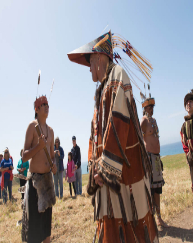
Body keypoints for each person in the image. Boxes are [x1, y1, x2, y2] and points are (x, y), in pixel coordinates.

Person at [67, 30, 158, 242]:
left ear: (99, 58)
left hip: (124, 178)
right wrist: (95, 167)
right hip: (109, 179)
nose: (89, 68)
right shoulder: (103, 88)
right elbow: (96, 137)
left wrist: (105, 170)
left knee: (130, 229)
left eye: (89, 62)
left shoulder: (117, 76)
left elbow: (118, 123)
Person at [21, 95, 57, 243]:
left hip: (47, 183)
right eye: (43, 104)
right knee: (35, 231)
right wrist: (38, 146)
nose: (47, 106)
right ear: (36, 109)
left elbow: (51, 156)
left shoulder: (51, 131)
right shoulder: (32, 126)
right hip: (35, 184)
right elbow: (24, 156)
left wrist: (54, 164)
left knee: (46, 230)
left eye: (47, 104)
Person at [140, 98, 167, 228]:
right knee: (150, 190)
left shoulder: (154, 121)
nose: (151, 109)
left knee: (157, 190)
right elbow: (138, 137)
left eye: (152, 107)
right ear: (145, 108)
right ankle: (150, 221)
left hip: (156, 159)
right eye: (149, 107)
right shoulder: (144, 121)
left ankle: (159, 218)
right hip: (149, 158)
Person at [180, 90, 193, 235]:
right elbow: (185, 146)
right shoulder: (183, 127)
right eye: (187, 102)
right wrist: (191, 158)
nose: (189, 104)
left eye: (191, 102)